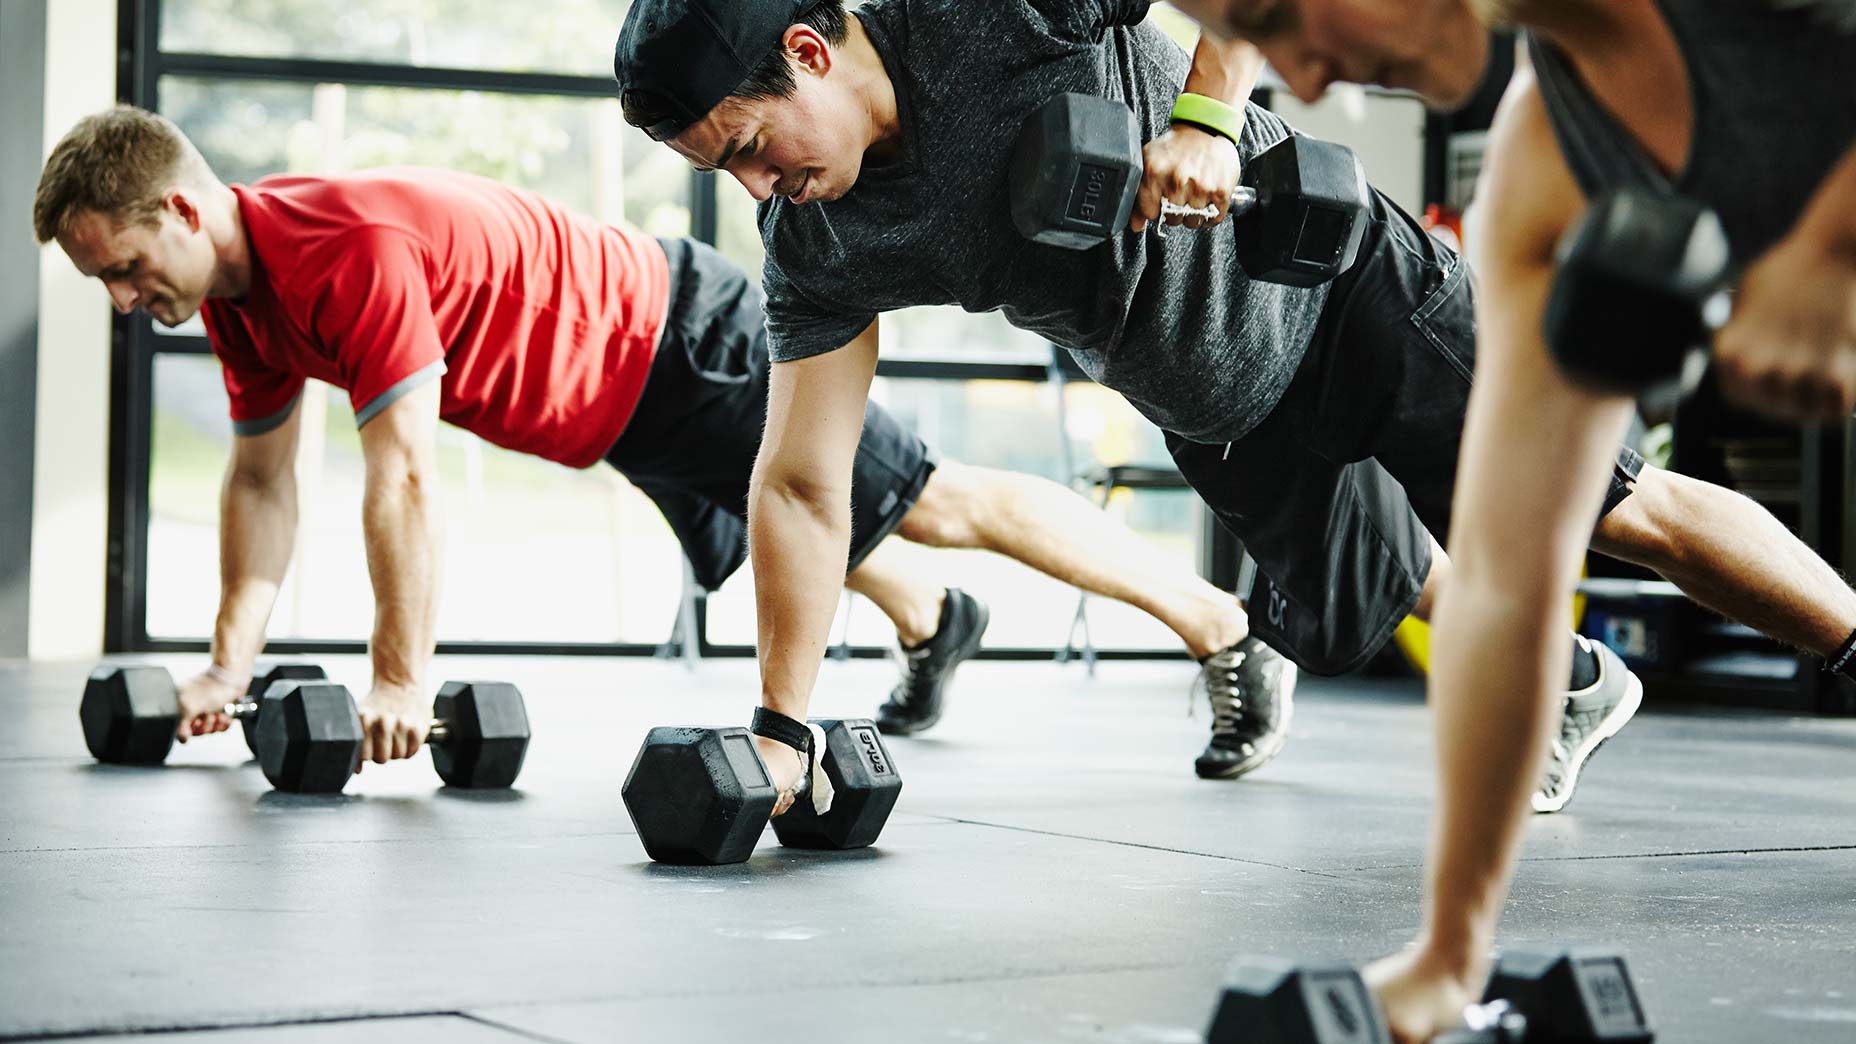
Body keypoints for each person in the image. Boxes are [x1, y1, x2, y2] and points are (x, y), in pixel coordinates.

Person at [612, 0, 1856, 826]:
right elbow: (798, 481)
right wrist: (781, 728)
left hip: (1348, 300)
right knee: (1350, 613)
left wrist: (1203, 114)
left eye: (749, 147)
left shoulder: (983, 11)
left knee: (1612, 514)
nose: (758, 185)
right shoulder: (821, 239)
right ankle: (1570, 683)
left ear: (809, 51)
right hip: (1218, 411)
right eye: (726, 174)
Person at [33, 104, 1266, 765]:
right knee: (830, 525)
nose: (131, 303)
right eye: (109, 286)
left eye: (131, 269)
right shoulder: (239, 301)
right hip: (621, 409)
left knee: (930, 498)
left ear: (185, 207)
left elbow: (401, 476)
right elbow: (260, 484)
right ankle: (934, 621)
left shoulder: (342, 253)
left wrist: (401, 677)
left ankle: (1221, 628)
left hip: (679, 340)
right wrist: (226, 666)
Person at [1160, 0, 1856, 1039]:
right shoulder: (1544, 172)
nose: (1302, 84)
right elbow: (1501, 574)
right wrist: (1449, 953)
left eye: (1278, 17)